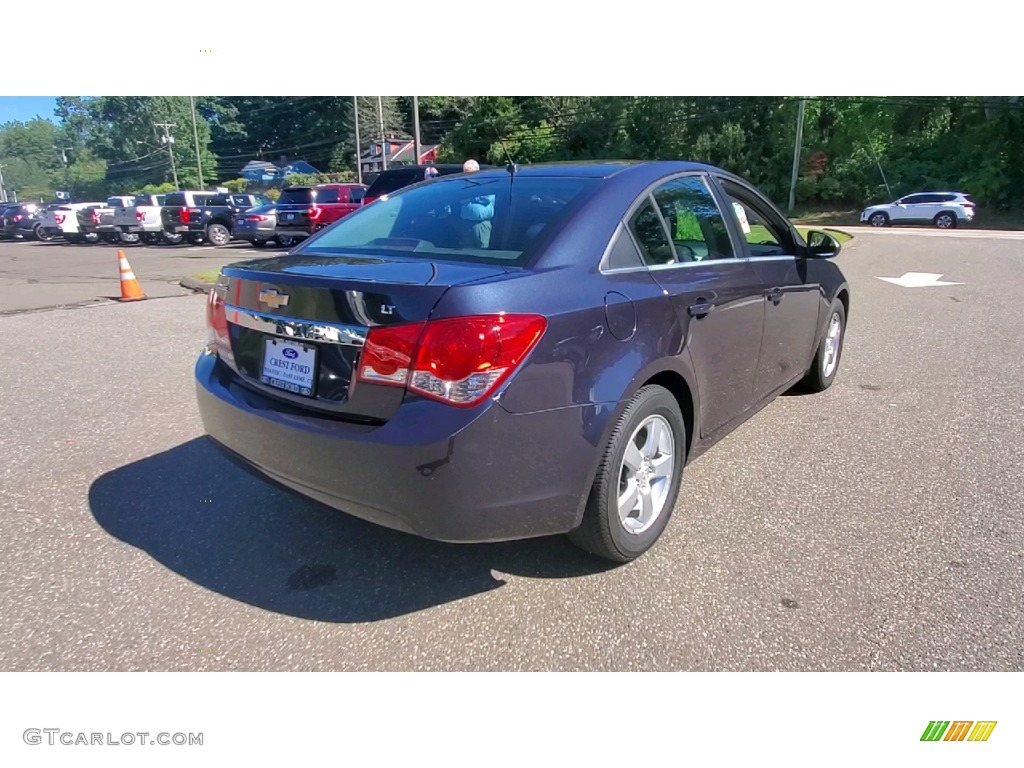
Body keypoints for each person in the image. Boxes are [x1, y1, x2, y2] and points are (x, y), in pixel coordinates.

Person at [459, 158, 495, 248]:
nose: (468, 176)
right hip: (466, 223)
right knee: (467, 250)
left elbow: (488, 198)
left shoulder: (485, 184)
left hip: (481, 224)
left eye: (471, 173)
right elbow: (461, 199)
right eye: (466, 173)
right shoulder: (463, 185)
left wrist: (472, 195)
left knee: (482, 250)